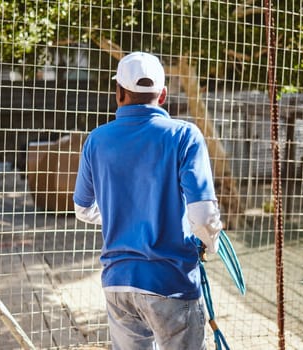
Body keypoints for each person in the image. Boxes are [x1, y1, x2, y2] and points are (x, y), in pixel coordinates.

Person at [73, 51, 223, 350]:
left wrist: (125, 214)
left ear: (118, 93)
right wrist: (209, 244)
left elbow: (83, 209)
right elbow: (204, 217)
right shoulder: (184, 136)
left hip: (118, 283)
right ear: (163, 95)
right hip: (170, 282)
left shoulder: (96, 140)